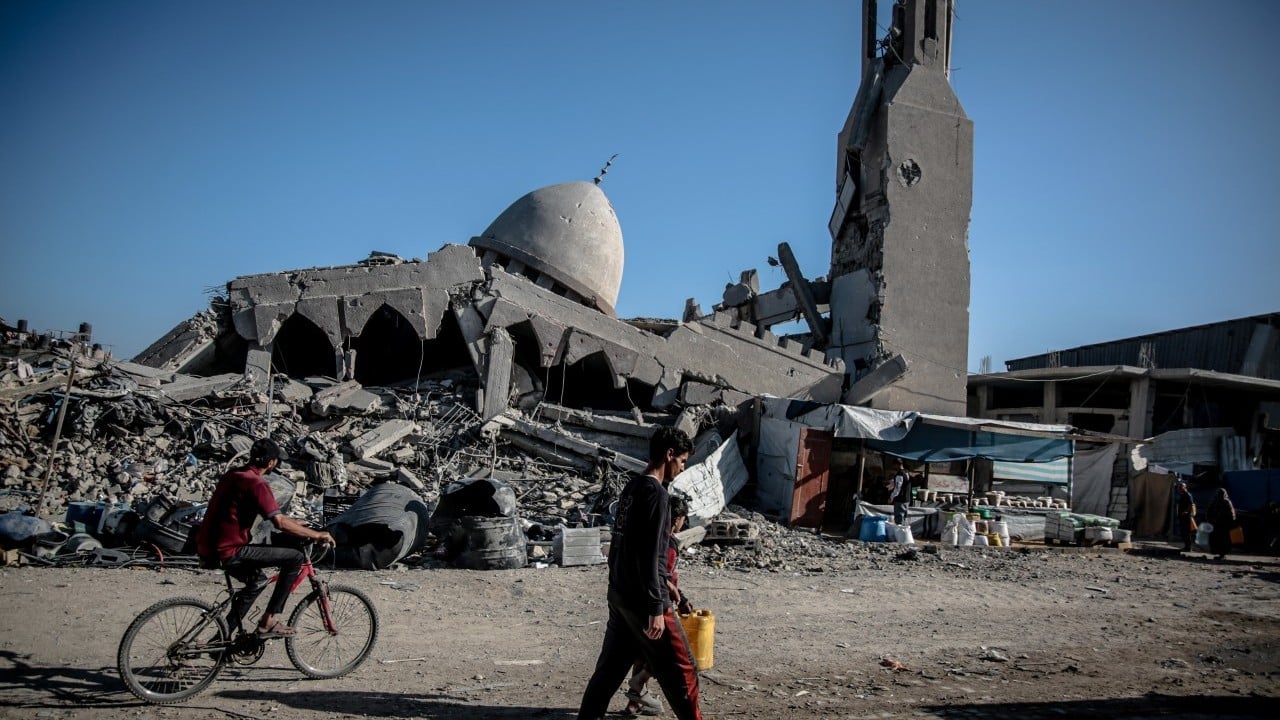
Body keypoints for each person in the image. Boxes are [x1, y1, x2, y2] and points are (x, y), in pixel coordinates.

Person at [578, 427, 702, 720]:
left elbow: (623, 545)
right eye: (682, 461)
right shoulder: (657, 495)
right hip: (642, 600)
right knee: (684, 670)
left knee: (608, 672)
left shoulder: (631, 488)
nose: (682, 468)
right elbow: (651, 556)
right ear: (669, 454)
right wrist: (656, 606)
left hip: (620, 595)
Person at [195, 438, 334, 637]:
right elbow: (278, 522)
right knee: (294, 558)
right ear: (271, 463)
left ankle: (223, 637)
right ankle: (267, 621)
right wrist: (316, 534)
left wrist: (294, 523)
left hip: (207, 544)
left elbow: (270, 515)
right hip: (229, 549)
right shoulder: (257, 483)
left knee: (255, 581)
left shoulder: (235, 474)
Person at [624, 493, 695, 716]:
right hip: (658, 604)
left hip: (641, 601)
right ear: (677, 519)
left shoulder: (649, 536)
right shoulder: (668, 543)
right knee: (666, 654)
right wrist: (680, 599)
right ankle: (638, 683)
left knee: (643, 651)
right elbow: (663, 575)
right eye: (682, 518)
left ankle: (633, 703)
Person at [1206, 487, 1236, 561]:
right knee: (1223, 539)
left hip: (1218, 523)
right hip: (1222, 524)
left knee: (1218, 539)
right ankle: (1221, 554)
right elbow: (1231, 514)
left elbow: (1209, 511)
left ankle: (1219, 553)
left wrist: (1210, 520)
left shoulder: (1215, 501)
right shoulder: (1226, 501)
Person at [1173, 480, 1196, 552]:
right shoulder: (1183, 495)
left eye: (1180, 487)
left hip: (1186, 517)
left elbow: (1191, 504)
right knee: (1184, 532)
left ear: (1184, 487)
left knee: (1186, 532)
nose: (1179, 489)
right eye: (1179, 488)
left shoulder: (1187, 495)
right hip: (1183, 517)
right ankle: (1187, 546)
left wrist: (1186, 511)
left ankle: (1188, 547)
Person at [889, 459, 910, 527]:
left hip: (900, 500)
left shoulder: (900, 474)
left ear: (897, 465)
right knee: (904, 519)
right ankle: (904, 535)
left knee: (899, 521)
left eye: (894, 465)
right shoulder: (906, 472)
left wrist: (891, 497)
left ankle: (900, 536)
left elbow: (898, 488)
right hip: (906, 499)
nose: (893, 467)